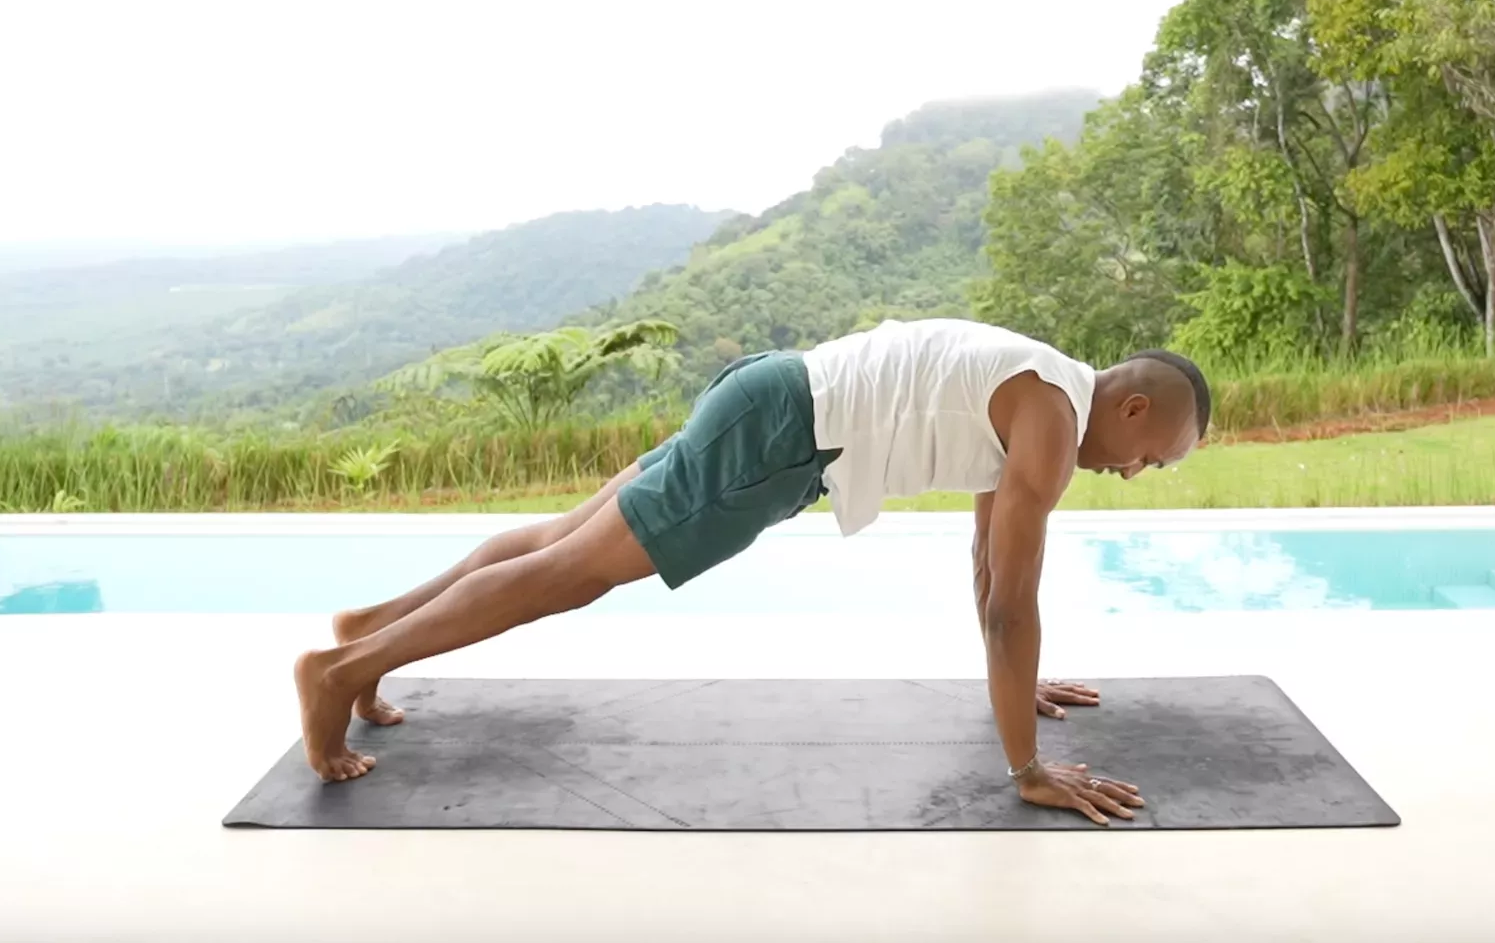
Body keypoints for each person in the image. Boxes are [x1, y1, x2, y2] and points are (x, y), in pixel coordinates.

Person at [294, 317, 1210, 825]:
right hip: (782, 438)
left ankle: (365, 636)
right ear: (1132, 410)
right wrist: (1028, 767)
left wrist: (1016, 687)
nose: (1134, 473)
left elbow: (987, 569)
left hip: (772, 396)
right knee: (571, 572)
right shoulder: (1050, 421)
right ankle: (337, 674)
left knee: (560, 540)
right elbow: (1013, 605)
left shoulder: (1038, 385)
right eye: (1150, 458)